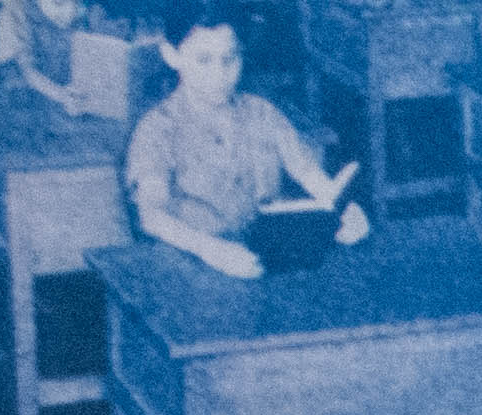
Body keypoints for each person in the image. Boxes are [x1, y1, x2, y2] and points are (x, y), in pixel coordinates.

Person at [125, 23, 360, 280]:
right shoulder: (157, 129)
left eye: (230, 59)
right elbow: (152, 215)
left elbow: (311, 177)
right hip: (193, 264)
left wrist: (344, 213)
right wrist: (212, 251)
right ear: (172, 55)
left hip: (264, 259)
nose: (219, 75)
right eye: (204, 60)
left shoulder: (262, 113)